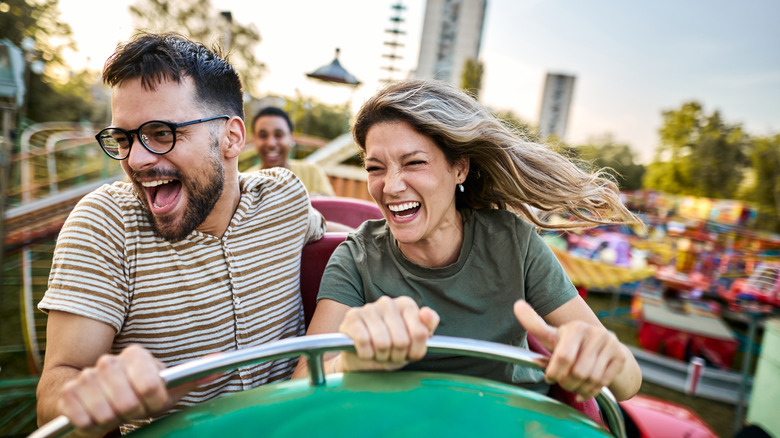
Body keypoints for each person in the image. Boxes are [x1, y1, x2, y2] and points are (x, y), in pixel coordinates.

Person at [35, 33, 325, 436]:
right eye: (123, 139)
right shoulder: (104, 226)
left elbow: (351, 240)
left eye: (162, 133)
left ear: (232, 137)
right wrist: (97, 393)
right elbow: (53, 396)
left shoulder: (285, 199)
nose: (136, 159)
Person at [293, 79, 642, 404]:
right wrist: (350, 361)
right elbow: (300, 387)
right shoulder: (355, 258)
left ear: (459, 168)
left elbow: (628, 383)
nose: (391, 185)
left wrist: (601, 359)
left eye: (414, 162)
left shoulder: (514, 243)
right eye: (375, 168)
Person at [250, 106, 336, 196]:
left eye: (279, 135)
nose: (271, 143)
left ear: (291, 137)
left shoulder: (312, 172)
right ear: (254, 139)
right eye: (263, 136)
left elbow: (331, 206)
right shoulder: (246, 182)